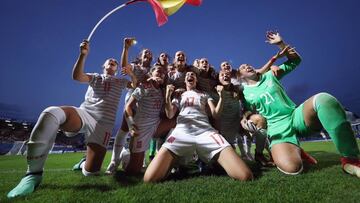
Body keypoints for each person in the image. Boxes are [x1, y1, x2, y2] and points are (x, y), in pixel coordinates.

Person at [7, 40, 137, 198]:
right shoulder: (96, 77)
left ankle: (83, 162)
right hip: (85, 114)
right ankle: (32, 175)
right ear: (103, 66)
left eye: (115, 62)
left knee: (91, 172)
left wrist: (130, 73)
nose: (113, 62)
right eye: (109, 61)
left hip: (104, 125)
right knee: (50, 113)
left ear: (117, 69)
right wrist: (83, 55)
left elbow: (135, 85)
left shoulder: (121, 81)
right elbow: (77, 76)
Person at [238, 31, 360, 176]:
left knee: (324, 99)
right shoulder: (245, 92)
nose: (247, 66)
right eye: (243, 67)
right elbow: (247, 111)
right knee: (292, 168)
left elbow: (295, 61)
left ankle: (350, 159)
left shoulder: (270, 75)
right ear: (241, 76)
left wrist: (280, 44)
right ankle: (295, 150)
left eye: (248, 64)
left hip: (296, 116)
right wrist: (246, 119)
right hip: (277, 128)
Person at [143, 71, 253, 182]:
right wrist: (167, 96)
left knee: (245, 175)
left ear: (196, 80)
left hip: (206, 132)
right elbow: (170, 114)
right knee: (149, 178)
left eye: (193, 75)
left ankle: (209, 161)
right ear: (185, 80)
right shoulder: (179, 95)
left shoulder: (204, 94)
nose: (190, 76)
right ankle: (178, 161)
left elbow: (215, 114)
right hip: (181, 132)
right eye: (187, 75)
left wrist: (222, 97)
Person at [105, 38, 153, 174]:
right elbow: (124, 65)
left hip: (146, 103)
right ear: (141, 56)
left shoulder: (153, 69)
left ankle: (140, 160)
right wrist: (126, 48)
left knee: (141, 132)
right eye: (146, 53)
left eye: (150, 53)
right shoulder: (135, 66)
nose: (148, 54)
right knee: (124, 129)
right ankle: (114, 161)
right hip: (133, 99)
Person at [107, 66, 165, 174]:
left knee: (175, 122)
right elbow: (128, 107)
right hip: (142, 126)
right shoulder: (144, 86)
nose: (160, 74)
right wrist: (131, 125)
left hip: (157, 124)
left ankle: (170, 161)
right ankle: (125, 156)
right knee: (134, 170)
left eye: (162, 72)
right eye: (158, 71)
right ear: (151, 74)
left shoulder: (163, 89)